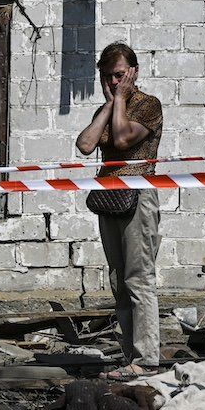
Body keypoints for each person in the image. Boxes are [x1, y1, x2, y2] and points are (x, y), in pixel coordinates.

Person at [75, 42, 164, 379]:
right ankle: (130, 357)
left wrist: (122, 102)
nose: (113, 81)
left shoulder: (147, 105)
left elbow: (125, 139)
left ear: (133, 73)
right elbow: (85, 144)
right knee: (118, 281)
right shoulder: (109, 106)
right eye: (107, 76)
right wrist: (110, 105)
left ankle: (146, 359)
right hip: (109, 198)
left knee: (138, 278)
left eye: (119, 75)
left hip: (137, 197)